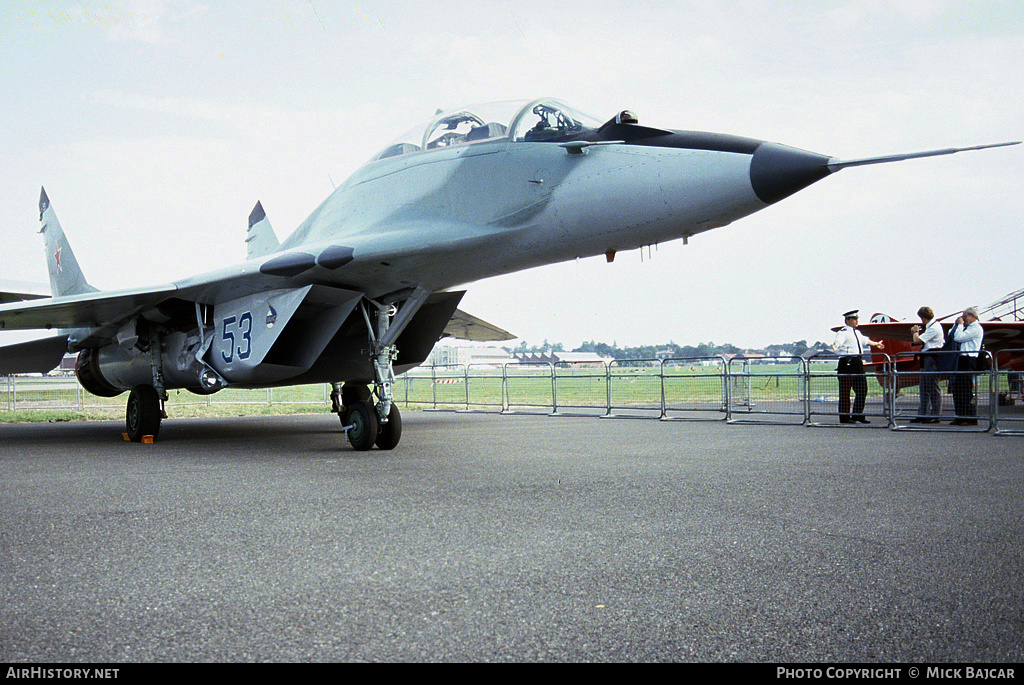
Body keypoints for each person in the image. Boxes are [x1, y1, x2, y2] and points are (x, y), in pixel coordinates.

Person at [831, 310, 884, 424]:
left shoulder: (857, 332)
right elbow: (838, 341)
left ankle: (857, 414)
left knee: (862, 389)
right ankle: (845, 417)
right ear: (848, 320)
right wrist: (836, 346)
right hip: (847, 362)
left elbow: (865, 341)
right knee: (845, 391)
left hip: (857, 362)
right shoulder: (843, 332)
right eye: (854, 319)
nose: (857, 321)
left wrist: (876, 344)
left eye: (857, 318)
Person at [949, 306, 984, 426]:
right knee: (959, 389)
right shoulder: (967, 328)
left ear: (972, 316)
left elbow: (958, 338)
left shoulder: (976, 328)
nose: (963, 319)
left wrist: (959, 326)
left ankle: (968, 417)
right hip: (963, 359)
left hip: (969, 359)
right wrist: (957, 325)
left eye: (965, 316)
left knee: (965, 389)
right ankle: (960, 416)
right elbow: (952, 335)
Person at [909, 306, 944, 423]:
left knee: (933, 387)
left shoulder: (934, 328)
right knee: (924, 387)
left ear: (923, 318)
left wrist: (915, 332)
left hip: (931, 358)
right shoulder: (932, 327)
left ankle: (935, 415)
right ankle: (923, 413)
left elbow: (917, 341)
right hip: (927, 358)